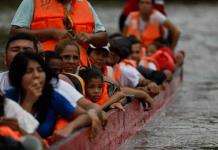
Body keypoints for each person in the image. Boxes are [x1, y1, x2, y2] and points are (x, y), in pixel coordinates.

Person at [0, 33, 106, 139]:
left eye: (40, 70)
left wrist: (73, 125)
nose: (36, 75)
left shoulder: (54, 89)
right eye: (15, 50)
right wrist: (29, 100)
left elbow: (89, 109)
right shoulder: (8, 95)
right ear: (5, 57)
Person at [10, 0, 108, 67]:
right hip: (44, 67)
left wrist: (89, 36)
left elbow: (104, 38)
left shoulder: (85, 3)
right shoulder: (32, 1)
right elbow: (15, 33)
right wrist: (50, 33)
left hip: (79, 69)